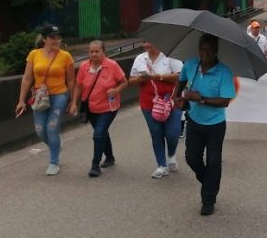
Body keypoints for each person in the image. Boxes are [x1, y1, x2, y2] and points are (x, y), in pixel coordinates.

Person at [173, 34, 236, 216]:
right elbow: (181, 79)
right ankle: (210, 183)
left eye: (209, 50)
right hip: (194, 120)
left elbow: (225, 101)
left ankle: (208, 200)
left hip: (215, 125)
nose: (204, 53)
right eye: (202, 49)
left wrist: (201, 99)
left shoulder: (224, 71)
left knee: (214, 161)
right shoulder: (191, 65)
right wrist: (176, 96)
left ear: (215, 51)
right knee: (192, 158)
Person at [15, 24, 76, 176]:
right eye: (52, 38)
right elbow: (27, 78)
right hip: (40, 96)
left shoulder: (65, 56)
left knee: (51, 128)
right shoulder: (34, 54)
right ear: (44, 39)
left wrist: (73, 101)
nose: (56, 40)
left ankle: (53, 162)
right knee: (40, 131)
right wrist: (21, 100)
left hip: (59, 95)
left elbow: (71, 81)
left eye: (58, 37)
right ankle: (56, 145)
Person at [71, 40, 128, 177]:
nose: (94, 54)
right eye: (91, 51)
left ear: (103, 52)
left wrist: (116, 89)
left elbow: (124, 81)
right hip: (91, 108)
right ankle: (109, 157)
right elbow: (78, 86)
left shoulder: (112, 65)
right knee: (101, 133)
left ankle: (95, 165)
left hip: (108, 107)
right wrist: (74, 103)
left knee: (98, 134)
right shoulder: (84, 66)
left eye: (97, 51)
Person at [128, 40, 184, 179]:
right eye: (144, 40)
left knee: (172, 133)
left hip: (172, 100)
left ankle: (171, 155)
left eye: (150, 40)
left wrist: (158, 76)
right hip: (149, 102)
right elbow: (130, 80)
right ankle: (161, 165)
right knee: (156, 133)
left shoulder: (170, 56)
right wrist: (141, 78)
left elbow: (180, 77)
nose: (147, 43)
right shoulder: (140, 59)